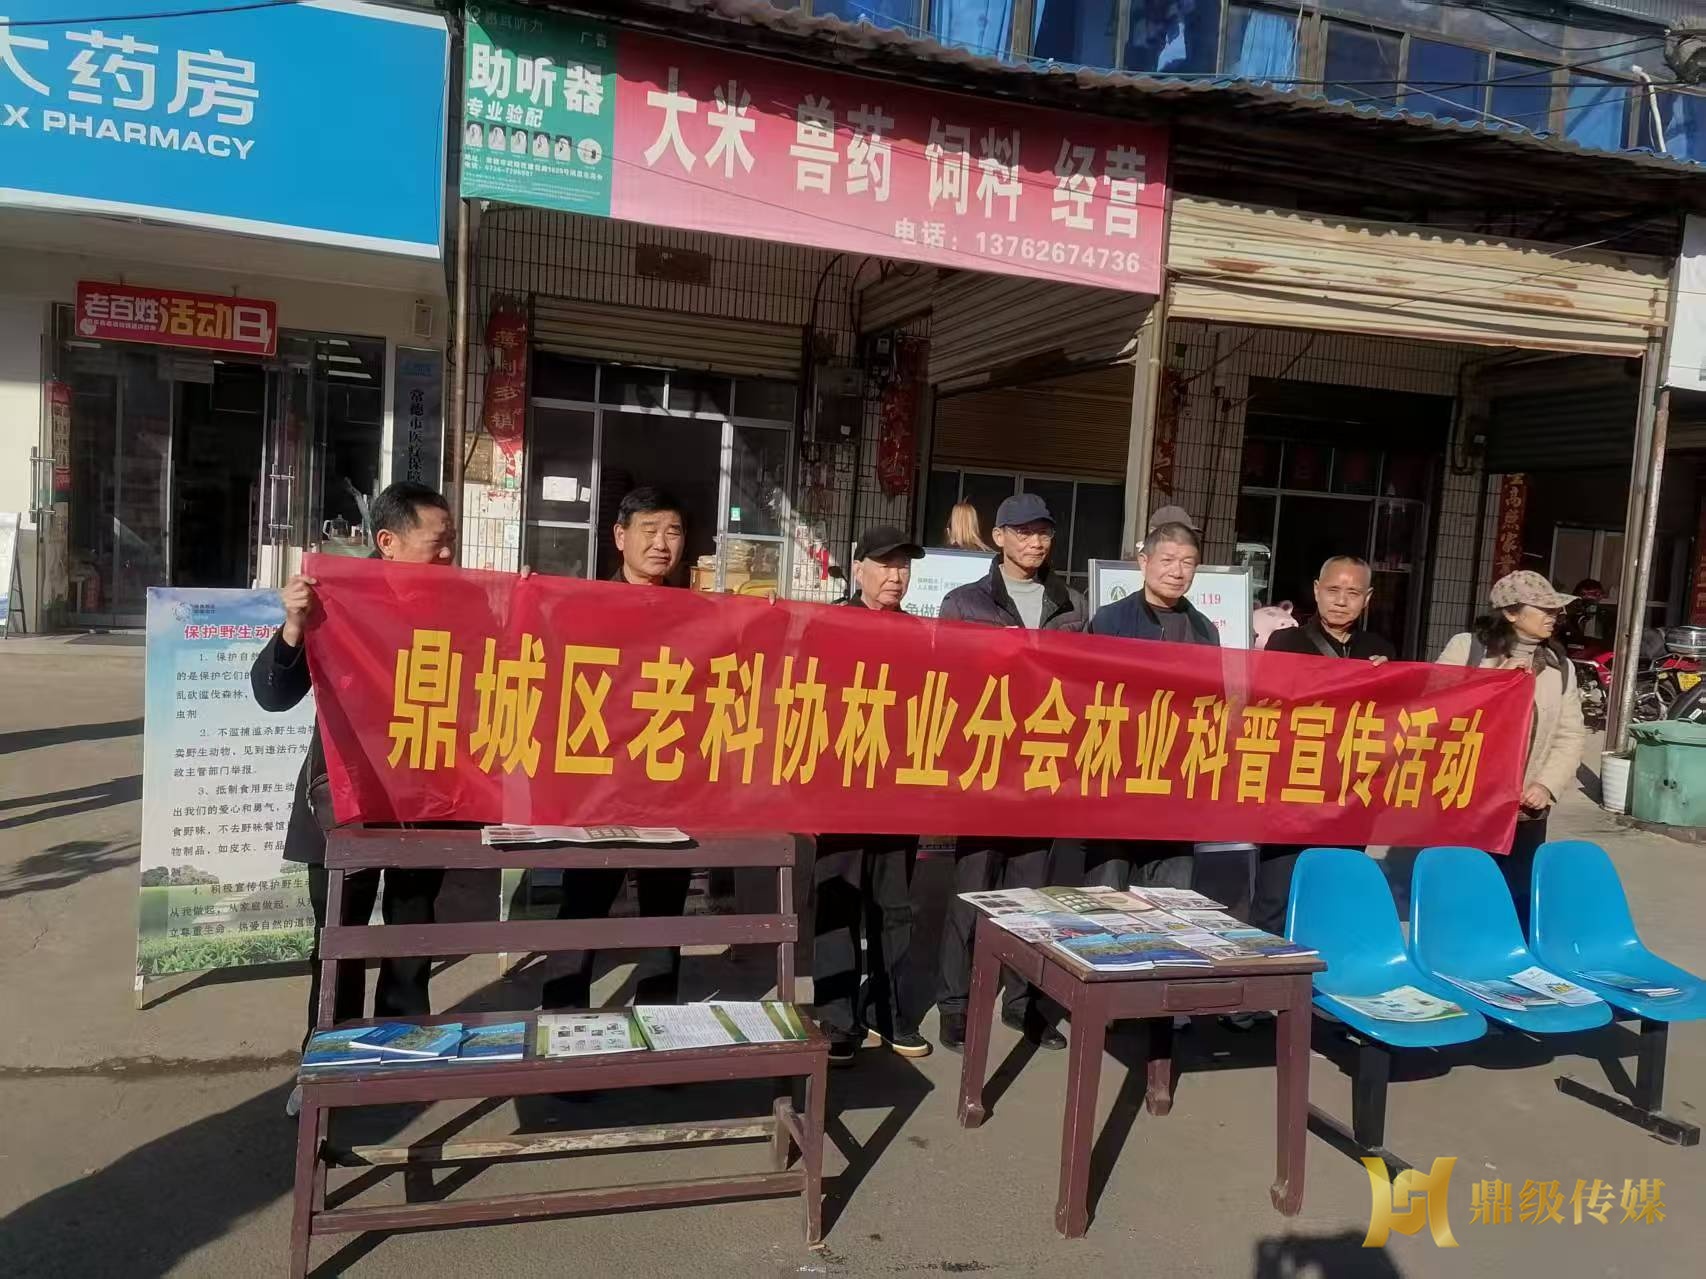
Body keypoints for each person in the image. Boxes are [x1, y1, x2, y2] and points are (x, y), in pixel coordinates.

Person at [251, 481, 458, 1040]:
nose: (447, 554)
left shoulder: (463, 604)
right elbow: (273, 695)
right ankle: (329, 1058)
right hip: (344, 799)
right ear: (388, 542)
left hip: (425, 801)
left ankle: (402, 1046)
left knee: (412, 936)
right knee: (340, 940)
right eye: (436, 542)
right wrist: (295, 626)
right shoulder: (334, 600)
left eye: (452, 541)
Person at [936, 493, 1087, 1053]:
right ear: (998, 537)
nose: (1035, 542)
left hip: (1042, 768)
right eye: (1022, 532)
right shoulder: (963, 602)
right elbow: (946, 681)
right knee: (971, 894)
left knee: (1031, 898)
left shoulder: (1071, 604)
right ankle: (956, 1005)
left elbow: (1085, 683)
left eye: (1043, 531)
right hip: (983, 768)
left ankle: (1023, 1004)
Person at [542, 488, 693, 1009]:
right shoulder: (583, 606)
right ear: (620, 536)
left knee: (664, 912)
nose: (661, 544)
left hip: (666, 783)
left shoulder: (697, 614)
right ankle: (564, 1020)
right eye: (649, 531)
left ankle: (658, 1019)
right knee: (583, 905)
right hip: (597, 786)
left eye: (673, 532)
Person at [814, 526, 931, 1065]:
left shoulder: (922, 635)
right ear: (857, 568)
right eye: (885, 564)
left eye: (903, 566)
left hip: (898, 794)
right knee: (838, 902)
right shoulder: (829, 625)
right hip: (839, 792)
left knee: (894, 908)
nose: (895, 576)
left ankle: (888, 1012)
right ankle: (837, 1019)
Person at [1437, 571, 1587, 932]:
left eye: (1556, 610)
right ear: (1511, 613)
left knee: (1516, 899)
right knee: (1461, 895)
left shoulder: (1560, 667)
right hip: (1466, 803)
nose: (1554, 616)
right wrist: (1498, 678)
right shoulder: (1467, 649)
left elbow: (1570, 734)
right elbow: (1437, 708)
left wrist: (1546, 785)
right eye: (1544, 609)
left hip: (1525, 809)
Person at [1255, 555, 1395, 935]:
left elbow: (1397, 719)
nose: (1341, 601)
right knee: (1276, 897)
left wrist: (1389, 682)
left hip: (1349, 797)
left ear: (1367, 598)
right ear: (1317, 591)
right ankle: (1270, 966)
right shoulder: (1285, 642)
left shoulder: (1380, 651)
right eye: (1333, 590)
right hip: (1291, 792)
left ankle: (1327, 966)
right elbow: (1265, 707)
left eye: (1353, 593)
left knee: (1335, 895)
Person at [1085, 519, 1219, 891]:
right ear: (1144, 562)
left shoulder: (1204, 630)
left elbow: (1212, 705)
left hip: (1175, 785)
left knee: (1170, 899)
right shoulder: (1110, 620)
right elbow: (1085, 693)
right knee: (1107, 896)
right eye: (1168, 560)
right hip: (1116, 780)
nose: (1178, 572)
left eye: (1188, 562)